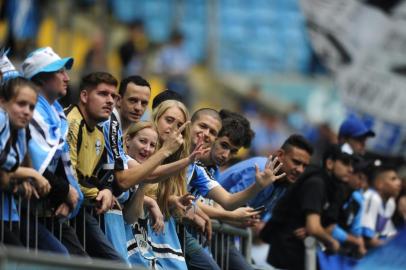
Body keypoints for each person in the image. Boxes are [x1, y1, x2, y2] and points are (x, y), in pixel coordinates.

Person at [22, 47, 84, 255]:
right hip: (23, 210)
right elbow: (37, 166)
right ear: (40, 79)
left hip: (50, 208)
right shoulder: (32, 113)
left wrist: (68, 198)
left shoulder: (56, 114)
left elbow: (61, 167)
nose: (67, 78)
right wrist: (65, 192)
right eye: (60, 72)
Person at [261, 144, 354, 270]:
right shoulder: (317, 183)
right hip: (286, 253)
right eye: (345, 163)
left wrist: (318, 231)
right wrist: (333, 242)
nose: (350, 169)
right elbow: (313, 227)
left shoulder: (334, 188)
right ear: (330, 163)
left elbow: (326, 224)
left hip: (300, 254)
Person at [64, 72, 123, 261]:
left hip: (80, 209)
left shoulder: (98, 133)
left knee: (116, 263)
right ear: (84, 96)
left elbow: (94, 176)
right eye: (103, 94)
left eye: (113, 96)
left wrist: (106, 189)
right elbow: (71, 177)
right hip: (60, 208)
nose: (110, 101)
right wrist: (101, 192)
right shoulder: (70, 123)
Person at [0, 77, 51, 247]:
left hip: (9, 213)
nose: (27, 111)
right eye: (21, 104)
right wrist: (32, 174)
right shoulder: (1, 118)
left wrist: (18, 180)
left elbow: (7, 175)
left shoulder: (20, 131)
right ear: (2, 102)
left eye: (31, 107)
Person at [361, 165, 401, 248]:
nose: (399, 183)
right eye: (393, 179)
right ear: (379, 184)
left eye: (398, 179)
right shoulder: (372, 198)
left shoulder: (391, 203)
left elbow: (389, 234)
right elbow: (367, 239)